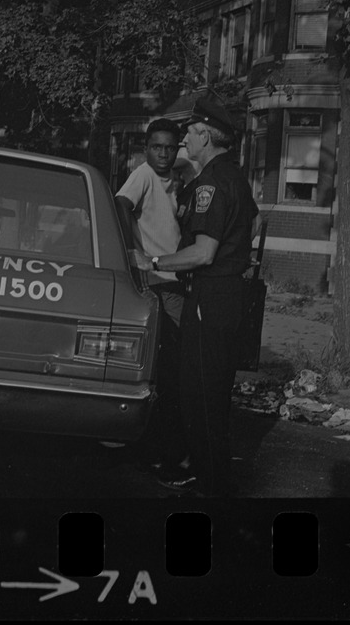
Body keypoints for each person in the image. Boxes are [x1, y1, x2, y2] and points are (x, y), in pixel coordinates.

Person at [133, 96, 259, 497]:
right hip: (229, 293)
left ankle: (212, 484)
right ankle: (212, 475)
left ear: (205, 134)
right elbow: (253, 223)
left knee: (200, 392)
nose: (184, 136)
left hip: (210, 295)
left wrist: (152, 260)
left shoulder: (210, 184)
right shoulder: (235, 177)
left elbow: (203, 252)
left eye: (190, 130)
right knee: (213, 390)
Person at [115, 118, 187, 473]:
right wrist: (134, 253)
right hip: (155, 279)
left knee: (169, 365)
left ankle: (158, 443)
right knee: (164, 364)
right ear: (147, 149)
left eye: (170, 147)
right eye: (157, 147)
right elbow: (121, 205)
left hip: (173, 279)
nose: (163, 153)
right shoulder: (143, 174)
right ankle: (157, 447)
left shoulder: (176, 179)